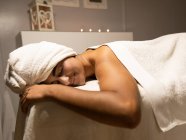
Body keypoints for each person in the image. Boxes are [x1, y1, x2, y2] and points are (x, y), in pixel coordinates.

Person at [5, 41, 141, 129]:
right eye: (55, 82)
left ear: (63, 54)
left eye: (60, 70)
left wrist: (51, 90)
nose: (65, 82)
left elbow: (128, 111)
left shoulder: (103, 54)